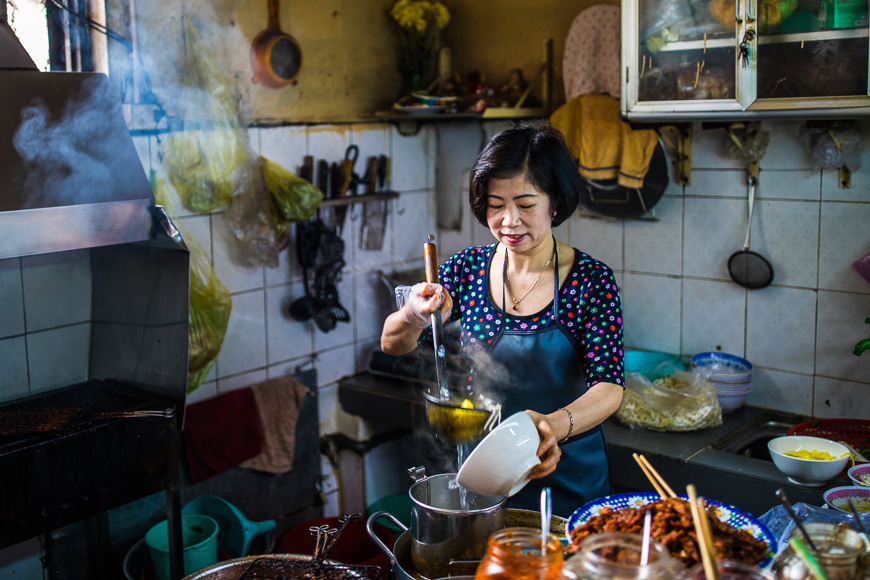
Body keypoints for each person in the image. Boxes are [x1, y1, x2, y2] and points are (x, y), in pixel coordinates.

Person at [380, 121, 625, 517]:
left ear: (556, 202)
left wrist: (552, 427)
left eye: (526, 205)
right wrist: (414, 312)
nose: (509, 221)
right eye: (496, 205)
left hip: (568, 472)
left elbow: (610, 387)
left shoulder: (591, 280)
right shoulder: (467, 270)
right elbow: (393, 343)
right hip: (487, 472)